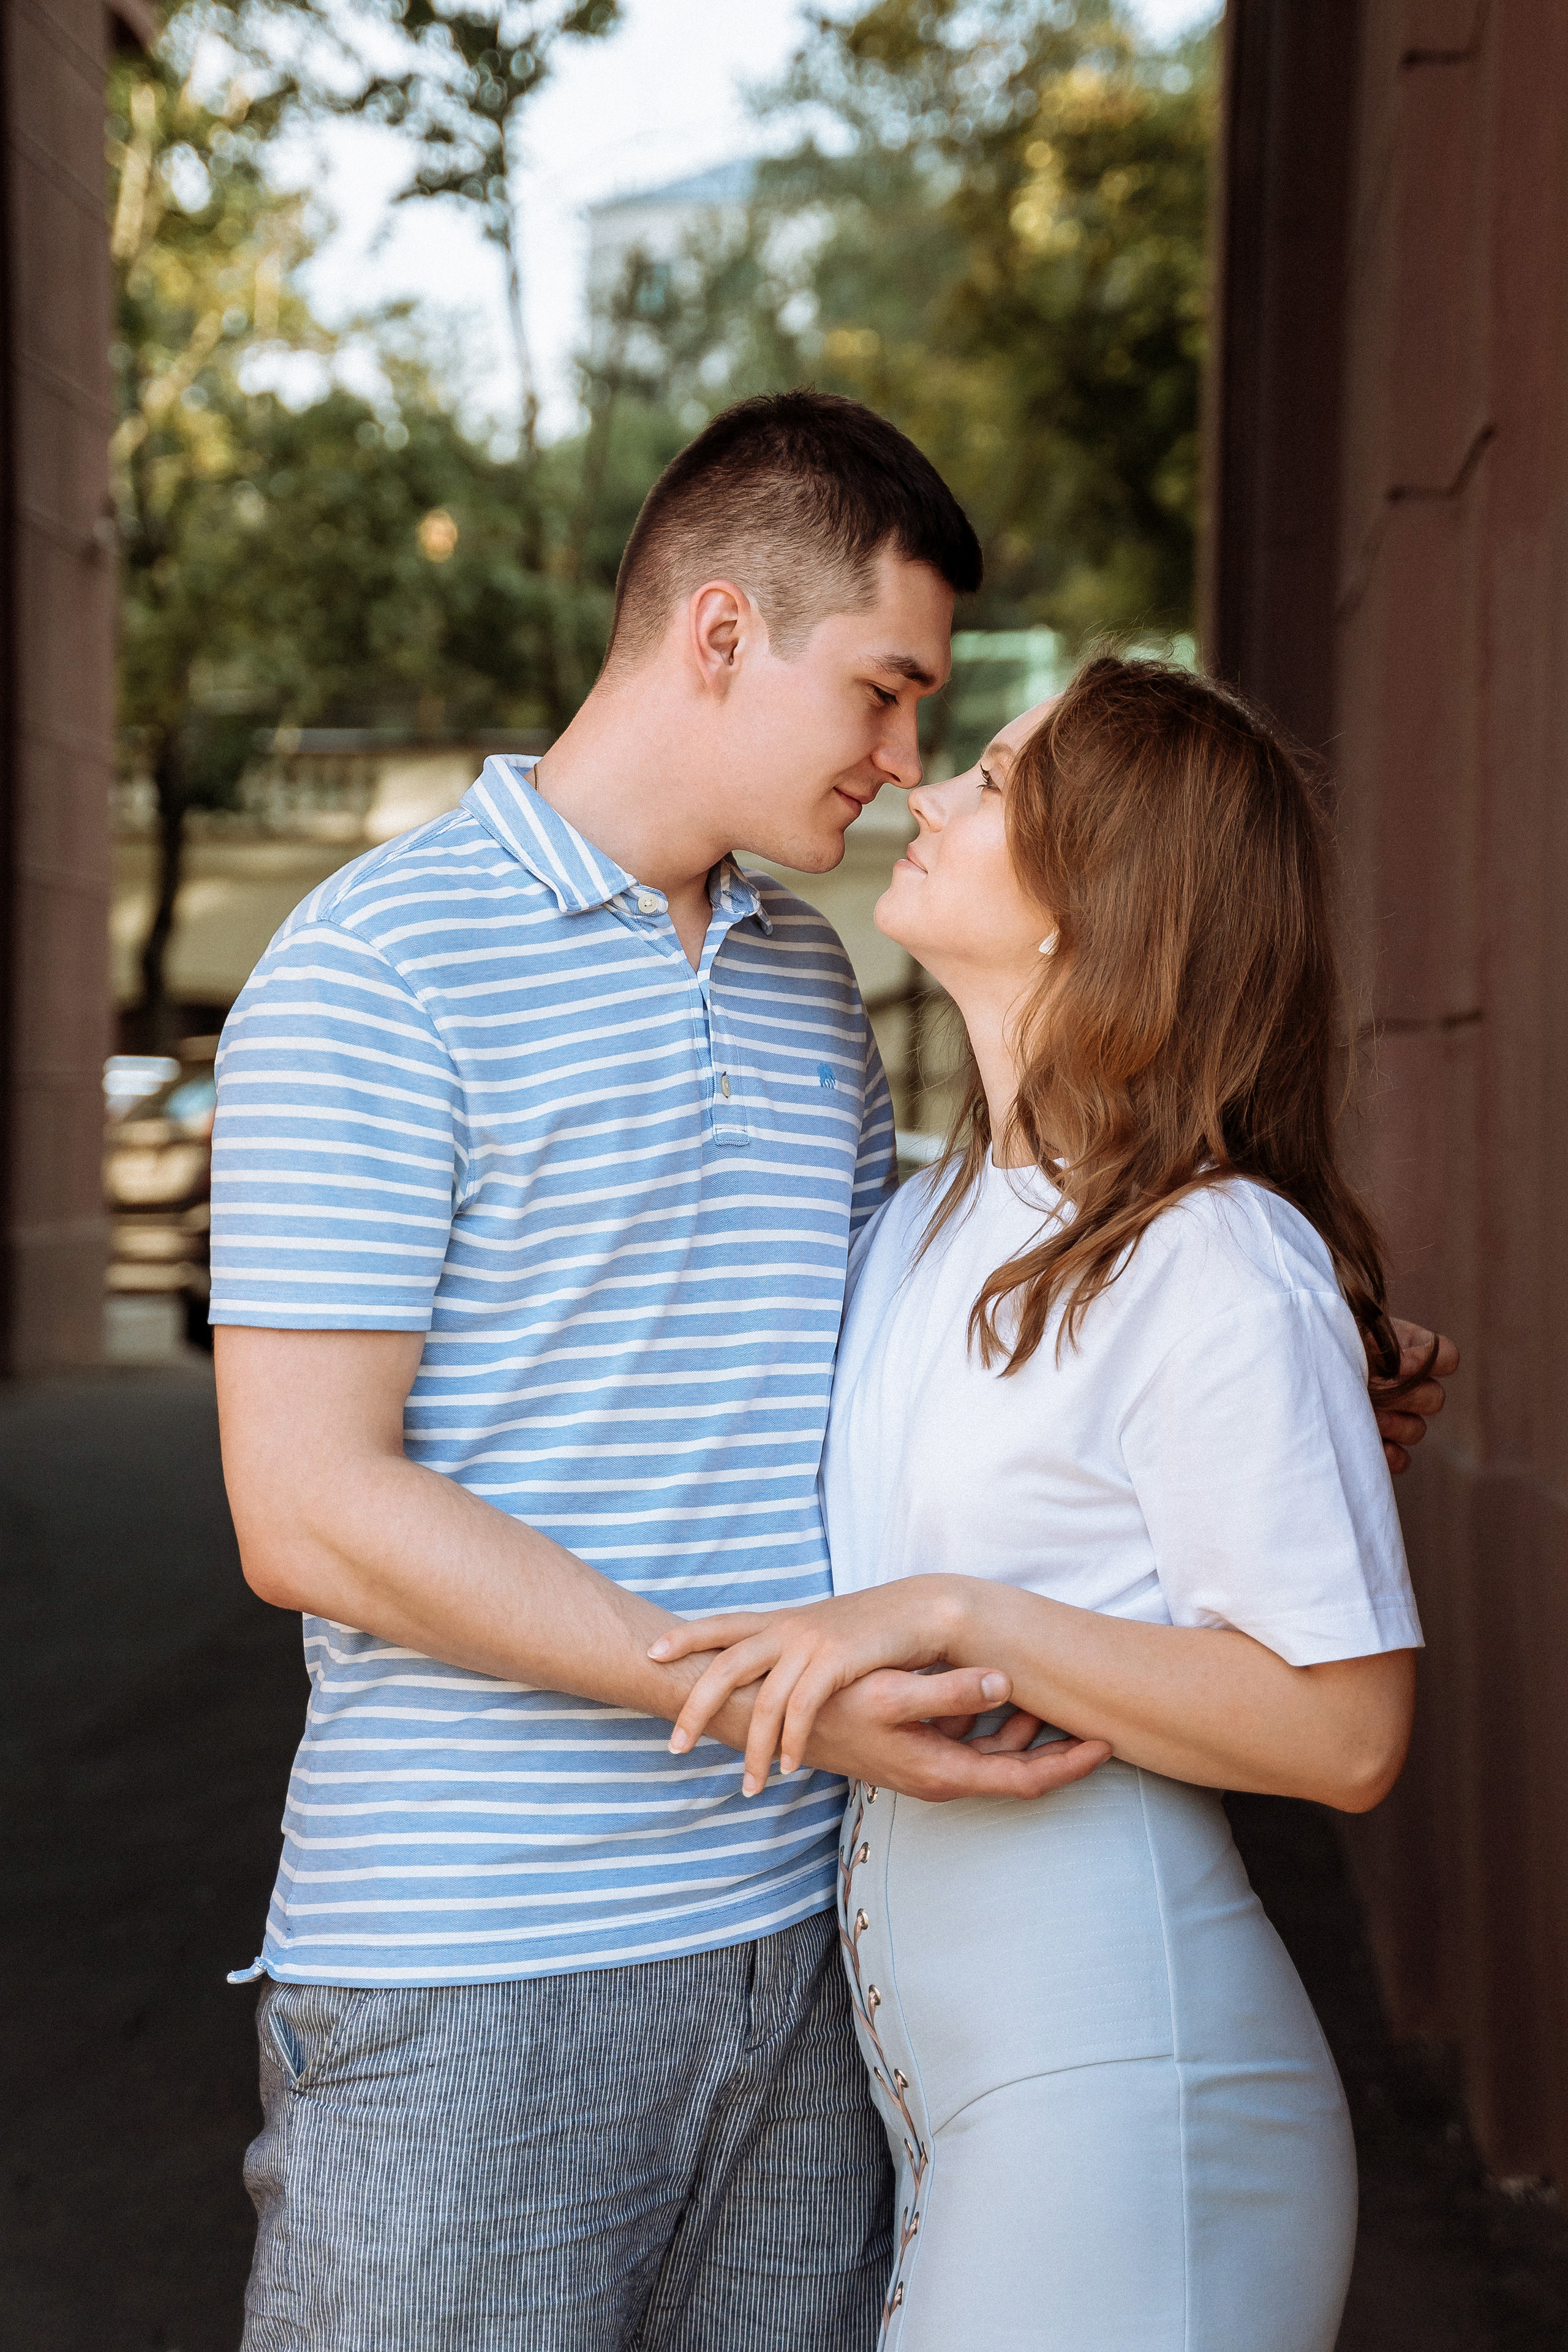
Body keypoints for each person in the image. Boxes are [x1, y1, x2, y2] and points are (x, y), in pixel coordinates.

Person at [213, 395, 1451, 2351]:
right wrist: (781, 1696)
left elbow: (1005, 1325)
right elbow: (303, 1509)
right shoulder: (377, 966)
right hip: (489, 1957)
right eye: (887, 693)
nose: (906, 766)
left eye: (941, 722)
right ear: (721, 635)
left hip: (813, 1970)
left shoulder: (810, 987)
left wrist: (1291, 1351)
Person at [654, 655, 1450, 2352]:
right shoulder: (927, 1227)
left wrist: (964, 1619)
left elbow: (1350, 1731)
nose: (926, 793)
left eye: (1000, 783)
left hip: (1132, 2097)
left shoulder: (1216, 1255)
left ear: (1108, 900)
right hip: (956, 2104)